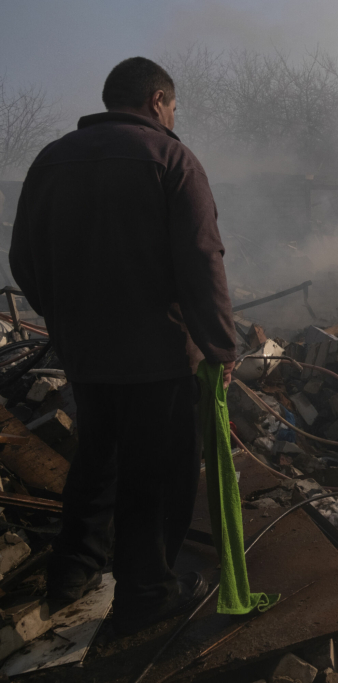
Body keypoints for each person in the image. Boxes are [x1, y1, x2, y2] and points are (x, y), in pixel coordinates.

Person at [9, 57, 236, 635]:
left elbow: (23, 260)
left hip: (85, 353)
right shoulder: (171, 158)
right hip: (158, 354)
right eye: (174, 106)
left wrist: (65, 321)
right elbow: (200, 259)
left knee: (96, 460)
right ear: (158, 99)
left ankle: (70, 575)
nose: (174, 115)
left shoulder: (50, 158)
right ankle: (146, 593)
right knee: (156, 473)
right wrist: (219, 347)